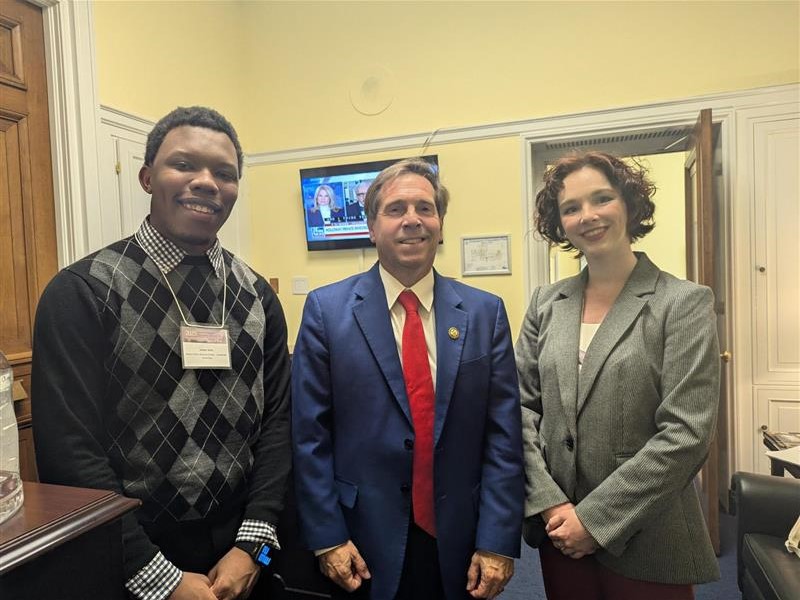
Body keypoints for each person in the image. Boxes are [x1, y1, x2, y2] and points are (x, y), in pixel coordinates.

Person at [31, 106, 291, 600]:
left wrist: (253, 547)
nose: (206, 182)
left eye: (224, 173)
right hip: (127, 559)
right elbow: (69, 451)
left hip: (242, 556)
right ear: (147, 177)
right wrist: (155, 575)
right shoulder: (84, 292)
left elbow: (278, 424)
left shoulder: (258, 294)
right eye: (184, 164)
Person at [291, 158, 524, 600]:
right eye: (396, 209)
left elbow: (503, 437)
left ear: (440, 225)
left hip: (461, 536)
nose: (412, 219)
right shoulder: (326, 311)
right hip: (361, 537)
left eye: (425, 208)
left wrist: (497, 539)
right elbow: (309, 435)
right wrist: (328, 537)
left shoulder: (485, 312)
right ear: (372, 227)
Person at [515, 151, 720, 600]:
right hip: (559, 531)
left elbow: (687, 433)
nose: (587, 215)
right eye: (571, 208)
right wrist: (550, 503)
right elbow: (521, 410)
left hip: (648, 532)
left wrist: (594, 521)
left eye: (602, 198)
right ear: (560, 223)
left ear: (628, 203)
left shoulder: (682, 302)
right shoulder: (545, 304)